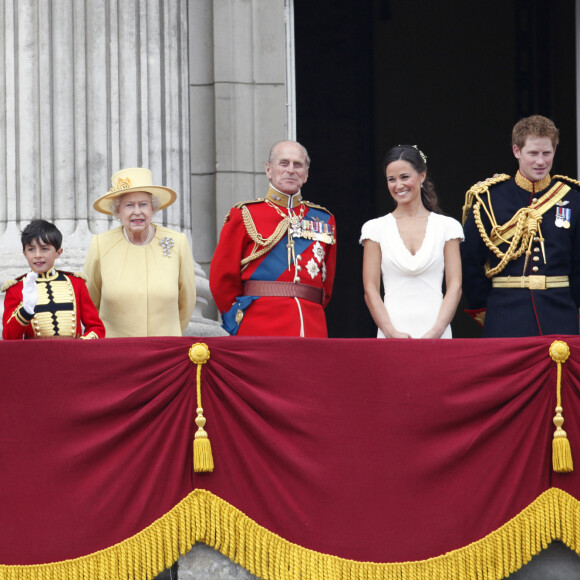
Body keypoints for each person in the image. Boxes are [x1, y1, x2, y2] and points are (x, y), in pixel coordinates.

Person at [461, 115, 580, 337]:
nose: (541, 161)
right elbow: (469, 262)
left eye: (547, 153)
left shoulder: (573, 199)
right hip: (505, 317)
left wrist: (572, 308)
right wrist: (489, 309)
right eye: (533, 153)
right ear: (517, 151)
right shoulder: (489, 200)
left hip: (559, 317)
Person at [209, 140, 337, 337]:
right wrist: (239, 318)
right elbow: (222, 280)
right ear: (269, 170)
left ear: (306, 173)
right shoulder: (244, 214)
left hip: (311, 324)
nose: (291, 170)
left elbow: (326, 285)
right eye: (283, 163)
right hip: (259, 326)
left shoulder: (324, 219)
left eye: (298, 165)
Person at [360, 145, 463, 338]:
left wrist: (435, 332)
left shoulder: (448, 226)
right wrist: (391, 333)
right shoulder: (374, 229)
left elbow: (455, 286)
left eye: (405, 177)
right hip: (391, 335)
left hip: (437, 334)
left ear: (422, 175)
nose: (398, 185)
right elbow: (371, 289)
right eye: (392, 179)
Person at [83, 167, 196, 337]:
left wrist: (172, 336)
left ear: (153, 208)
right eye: (129, 205)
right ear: (118, 211)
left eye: (143, 204)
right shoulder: (101, 244)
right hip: (117, 350)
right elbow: (90, 301)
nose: (137, 211)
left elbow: (187, 301)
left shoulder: (177, 242)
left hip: (165, 349)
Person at [2, 220, 105, 339]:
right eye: (31, 249)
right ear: (24, 253)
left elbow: (96, 327)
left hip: (73, 355)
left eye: (44, 249)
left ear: (58, 252)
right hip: (36, 356)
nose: (37, 255)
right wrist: (25, 311)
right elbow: (9, 337)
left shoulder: (76, 283)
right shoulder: (16, 289)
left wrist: (81, 345)